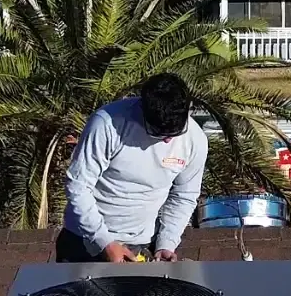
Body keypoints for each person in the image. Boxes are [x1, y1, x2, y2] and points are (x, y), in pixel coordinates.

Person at [58, 73, 208, 263]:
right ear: (142, 109)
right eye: (157, 133)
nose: (168, 140)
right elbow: (78, 186)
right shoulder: (107, 123)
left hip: (141, 245)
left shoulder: (196, 140)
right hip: (84, 242)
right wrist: (104, 241)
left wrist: (166, 243)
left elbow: (184, 196)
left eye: (176, 132)